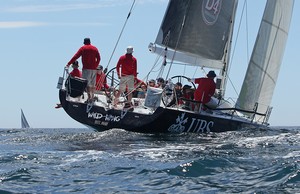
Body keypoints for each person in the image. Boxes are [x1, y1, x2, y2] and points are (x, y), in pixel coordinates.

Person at [66, 38, 100, 102]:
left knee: (86, 84)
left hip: (86, 69)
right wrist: (95, 65)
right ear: (90, 42)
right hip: (94, 69)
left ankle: (89, 98)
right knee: (92, 84)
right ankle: (92, 97)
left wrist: (68, 64)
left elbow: (76, 56)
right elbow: (99, 58)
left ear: (84, 42)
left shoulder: (83, 48)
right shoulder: (95, 48)